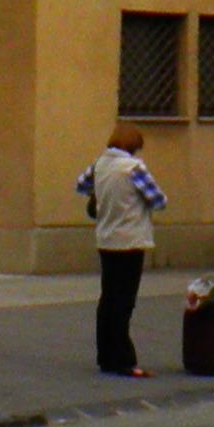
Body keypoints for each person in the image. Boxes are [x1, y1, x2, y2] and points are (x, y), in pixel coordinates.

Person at [75, 122, 166, 375]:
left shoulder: (100, 164)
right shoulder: (133, 168)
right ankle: (123, 358)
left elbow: (81, 185)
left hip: (106, 239)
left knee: (108, 299)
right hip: (130, 241)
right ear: (134, 146)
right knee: (124, 301)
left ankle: (105, 355)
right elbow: (158, 200)